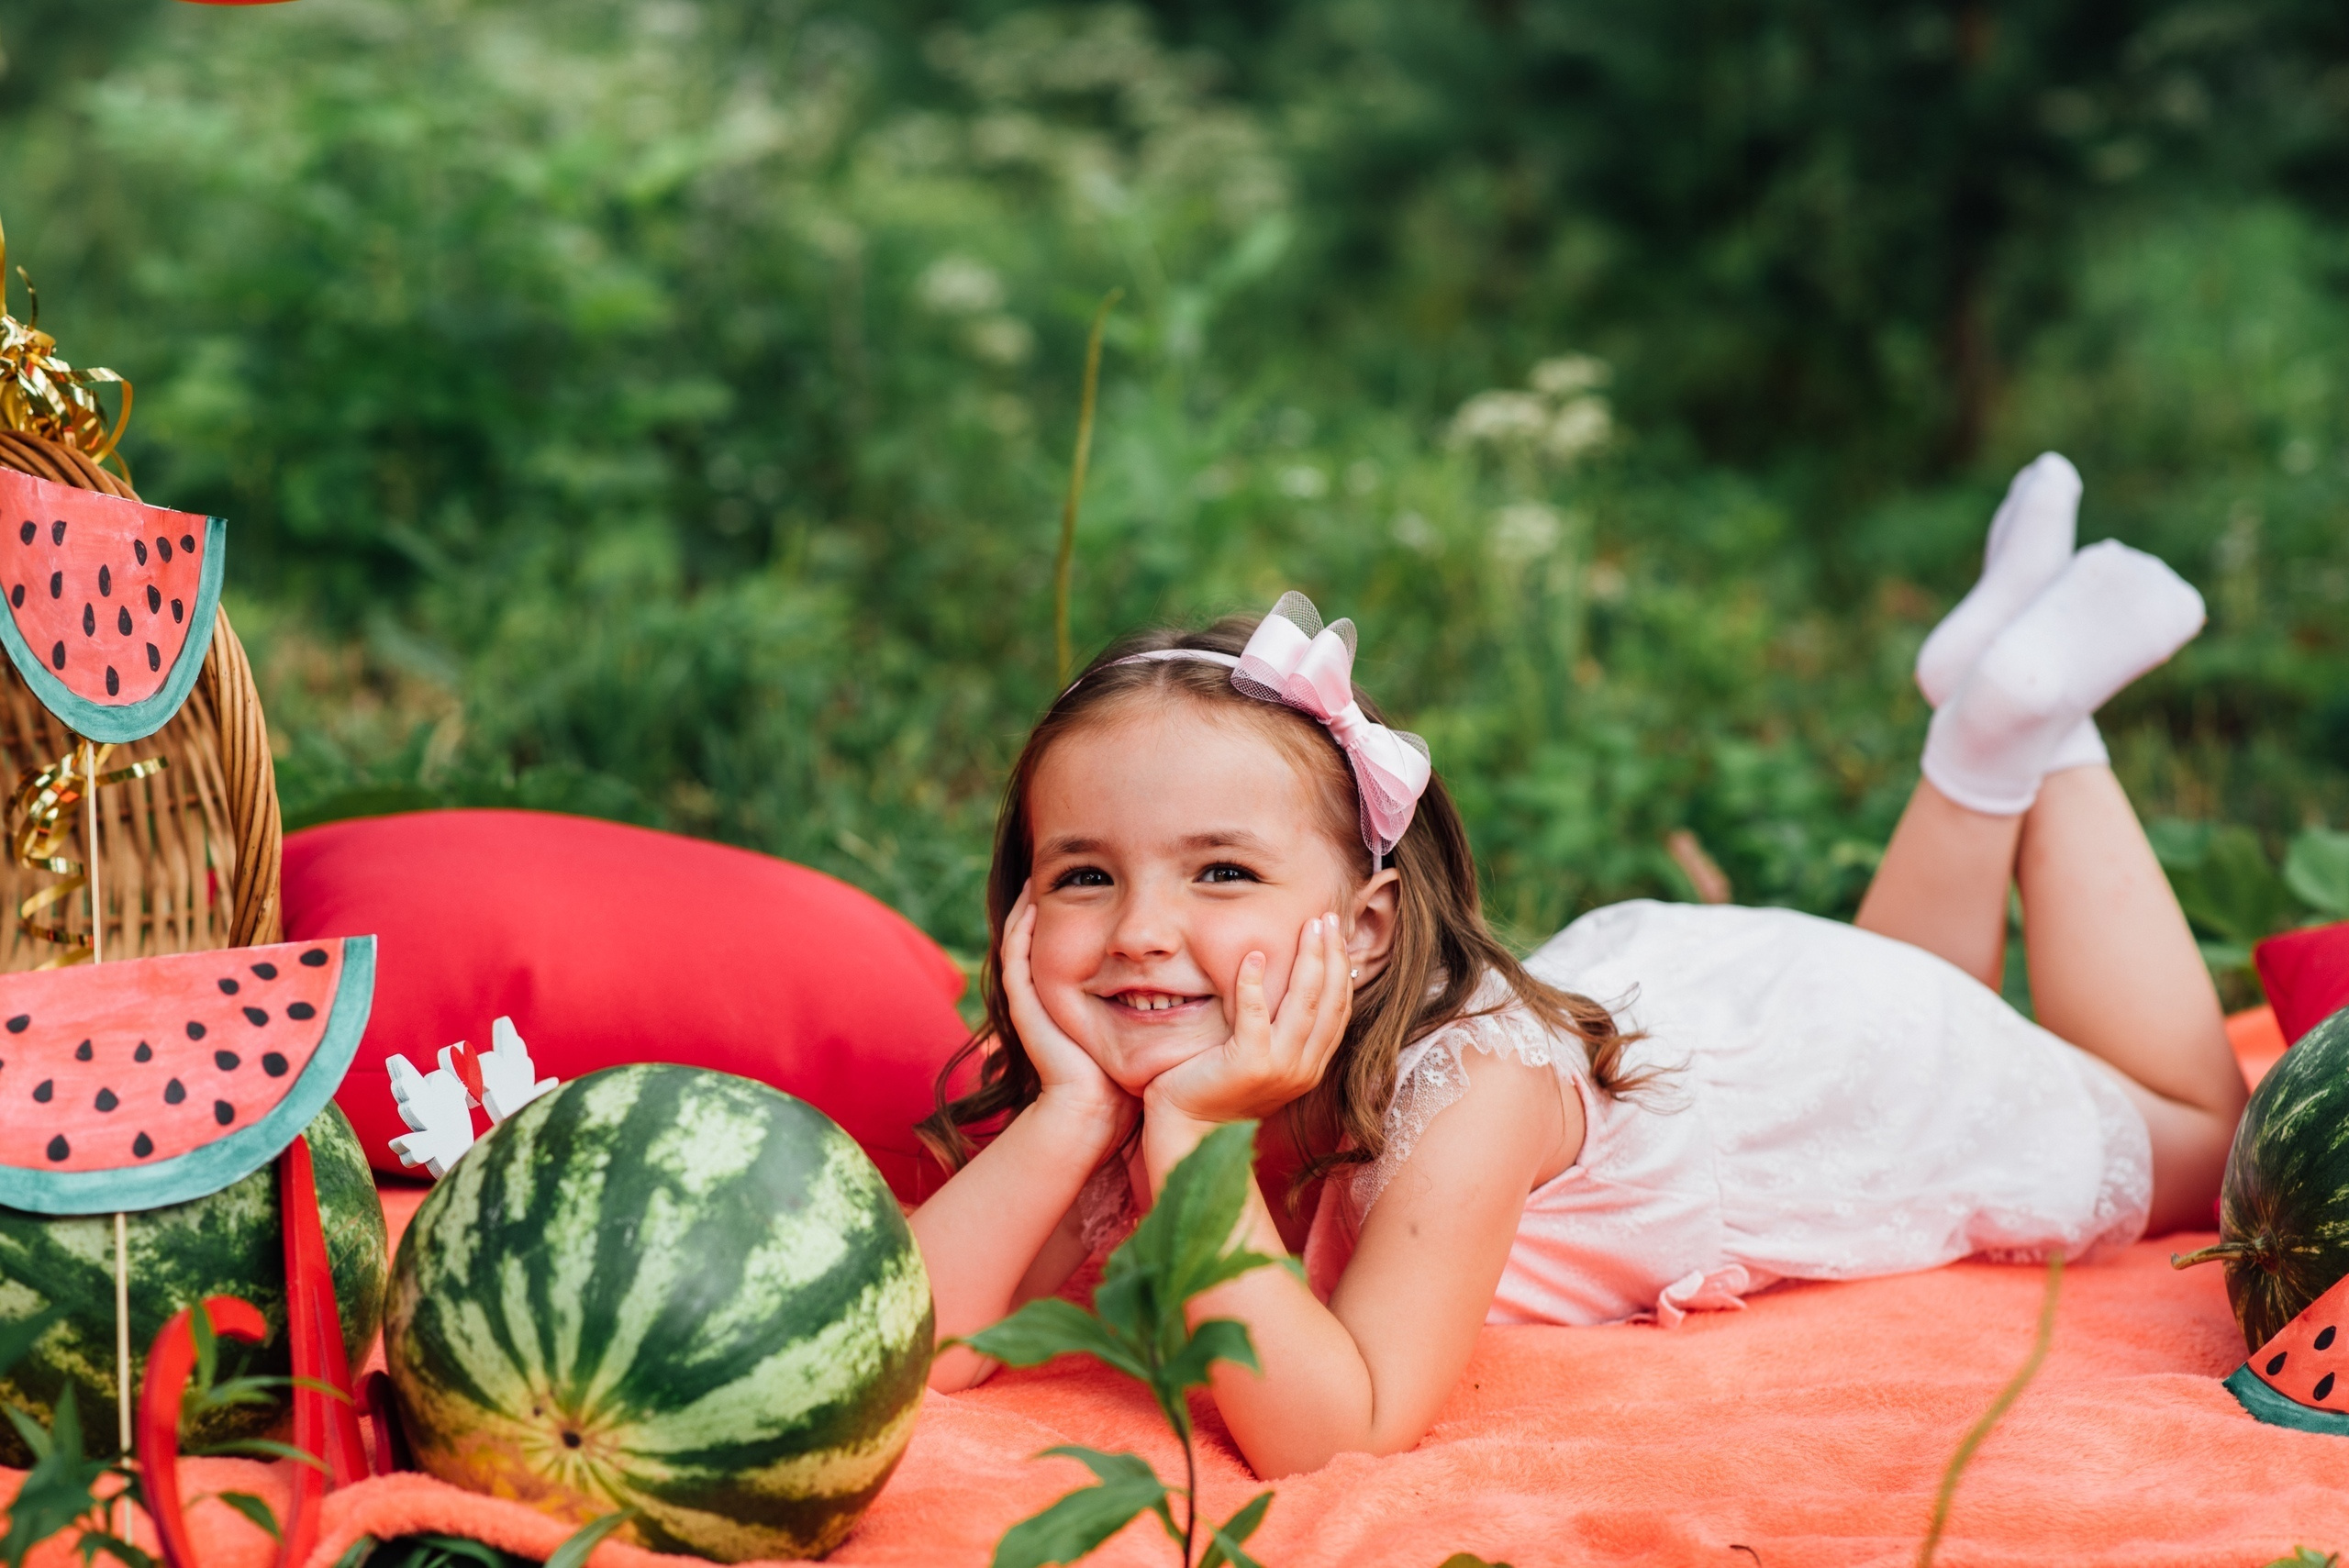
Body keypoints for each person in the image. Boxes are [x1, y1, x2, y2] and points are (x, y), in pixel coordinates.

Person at [906, 451, 2248, 1479]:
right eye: (1085, 873)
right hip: (1749, 1008)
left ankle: (2038, 725)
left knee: (2204, 1142)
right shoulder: (1123, 1073)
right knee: (1905, 976)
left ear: (1370, 926)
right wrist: (1073, 1113)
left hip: (1852, 1058)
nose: (1140, 929)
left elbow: (1343, 1424)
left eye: (1221, 870)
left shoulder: (1469, 1094)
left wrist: (1193, 1147)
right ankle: (1991, 722)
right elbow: (904, 1354)